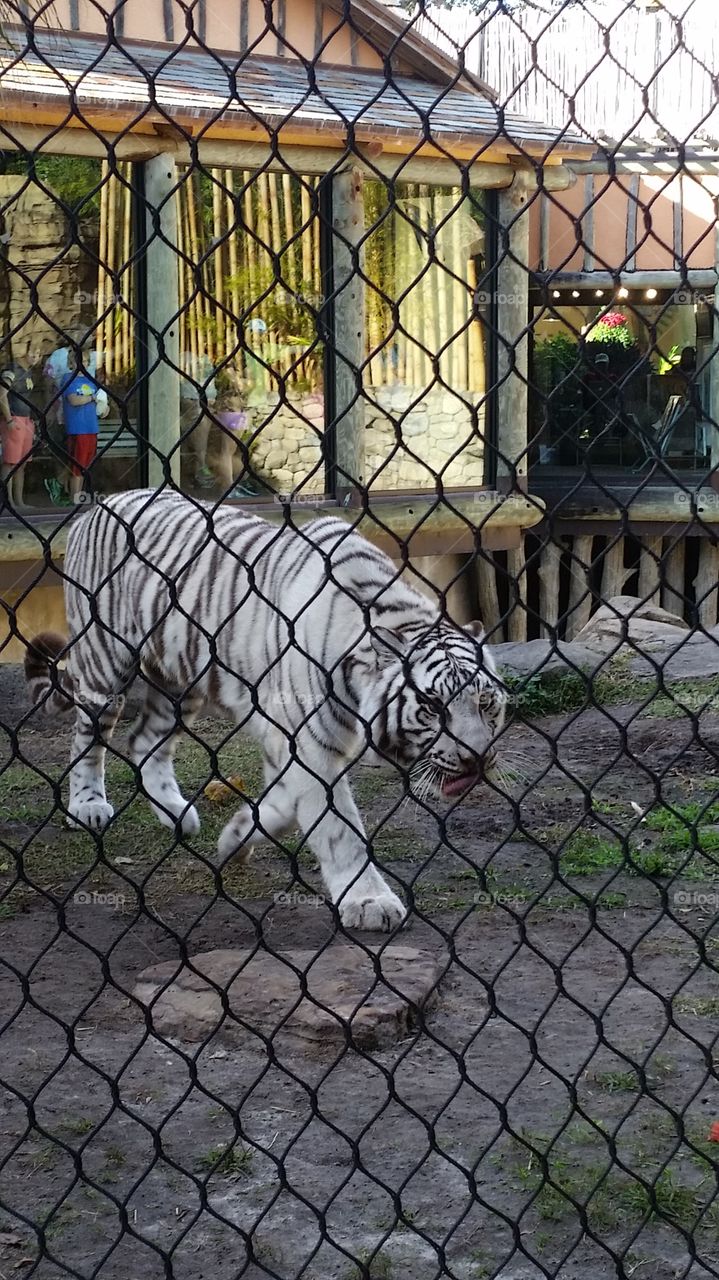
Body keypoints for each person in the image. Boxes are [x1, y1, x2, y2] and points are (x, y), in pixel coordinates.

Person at [0, 348, 40, 512]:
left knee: (22, 464)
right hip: (14, 419)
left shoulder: (28, 373)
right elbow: (2, 394)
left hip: (26, 420)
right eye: (33, 353)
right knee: (10, 462)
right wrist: (9, 419)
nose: (35, 357)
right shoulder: (12, 370)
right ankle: (7, 500)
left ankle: (19, 501)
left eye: (38, 354)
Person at [62, 350, 100, 503]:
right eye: (78, 361)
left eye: (84, 361)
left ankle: (79, 495)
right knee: (77, 466)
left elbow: (100, 402)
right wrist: (91, 398)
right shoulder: (68, 379)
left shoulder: (91, 380)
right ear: (71, 363)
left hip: (91, 427)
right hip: (78, 429)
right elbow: (73, 400)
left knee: (86, 465)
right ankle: (74, 499)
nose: (82, 364)